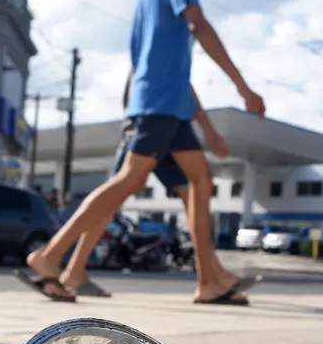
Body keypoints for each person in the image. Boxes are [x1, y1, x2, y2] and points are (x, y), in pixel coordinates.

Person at [16, 0, 265, 304]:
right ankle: (50, 256)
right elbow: (198, 24)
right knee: (129, 181)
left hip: (167, 104)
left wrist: (208, 128)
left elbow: (168, 65)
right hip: (157, 103)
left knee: (199, 180)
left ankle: (210, 279)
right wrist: (241, 85)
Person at [59, 82, 259, 299]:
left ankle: (212, 276)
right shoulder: (164, 55)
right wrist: (211, 127)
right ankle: (64, 263)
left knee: (192, 195)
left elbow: (183, 84)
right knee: (117, 194)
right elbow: (176, 82)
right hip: (151, 121)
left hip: (167, 124)